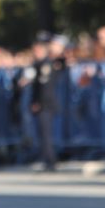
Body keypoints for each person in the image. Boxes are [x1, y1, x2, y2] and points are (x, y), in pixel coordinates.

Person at [30, 37, 65, 171]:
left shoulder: (48, 64)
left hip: (46, 104)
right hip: (41, 104)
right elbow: (36, 87)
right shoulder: (37, 65)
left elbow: (45, 88)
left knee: (46, 134)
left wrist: (38, 102)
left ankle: (50, 160)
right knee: (42, 134)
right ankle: (46, 158)